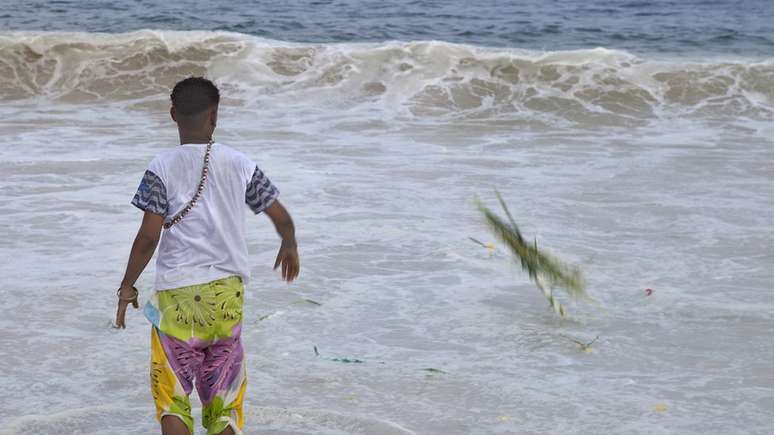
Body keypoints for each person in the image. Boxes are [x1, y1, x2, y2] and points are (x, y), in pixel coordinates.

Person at [114, 77, 300, 435]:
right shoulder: (240, 163)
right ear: (214, 116)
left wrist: (127, 285)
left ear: (173, 115)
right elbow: (282, 217)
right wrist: (288, 243)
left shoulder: (162, 166)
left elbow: (148, 237)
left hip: (177, 298)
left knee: (173, 399)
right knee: (224, 400)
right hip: (227, 297)